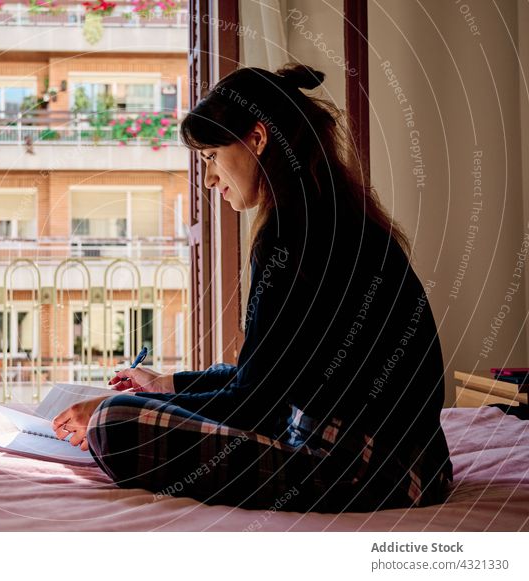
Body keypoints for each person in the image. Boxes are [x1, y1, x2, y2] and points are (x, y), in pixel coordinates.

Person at [51, 63, 453, 513]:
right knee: (129, 412)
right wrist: (166, 385)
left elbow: (255, 402)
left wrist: (121, 405)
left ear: (258, 139)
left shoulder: (292, 235)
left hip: (366, 468)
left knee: (113, 423)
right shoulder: (328, 218)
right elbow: (264, 379)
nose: (208, 178)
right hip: (422, 466)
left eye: (211, 157)